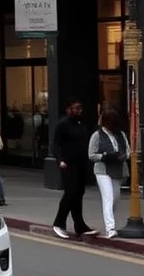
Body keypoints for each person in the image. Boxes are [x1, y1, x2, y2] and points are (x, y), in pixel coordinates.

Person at [51, 99, 97, 239]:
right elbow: (55, 144)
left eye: (80, 108)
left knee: (78, 194)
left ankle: (80, 225)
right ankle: (59, 223)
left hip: (81, 164)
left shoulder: (81, 124)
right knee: (70, 193)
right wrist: (60, 160)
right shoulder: (62, 125)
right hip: (68, 164)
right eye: (76, 108)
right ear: (68, 109)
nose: (79, 111)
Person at [88, 108, 129, 238]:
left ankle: (108, 216)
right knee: (108, 197)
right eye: (108, 122)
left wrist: (124, 156)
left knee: (115, 199)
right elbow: (91, 155)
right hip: (103, 170)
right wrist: (105, 156)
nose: (110, 125)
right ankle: (110, 228)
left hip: (117, 170)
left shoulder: (121, 134)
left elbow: (128, 150)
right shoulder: (96, 135)